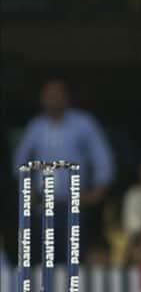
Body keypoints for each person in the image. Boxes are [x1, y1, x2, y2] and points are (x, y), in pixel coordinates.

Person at [13, 79, 115, 260]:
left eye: (57, 95)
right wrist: (28, 189)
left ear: (66, 98)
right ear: (42, 99)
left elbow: (102, 158)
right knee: (44, 260)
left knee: (74, 258)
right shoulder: (36, 127)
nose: (53, 99)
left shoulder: (84, 123)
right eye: (49, 95)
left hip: (76, 204)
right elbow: (19, 162)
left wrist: (97, 191)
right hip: (42, 206)